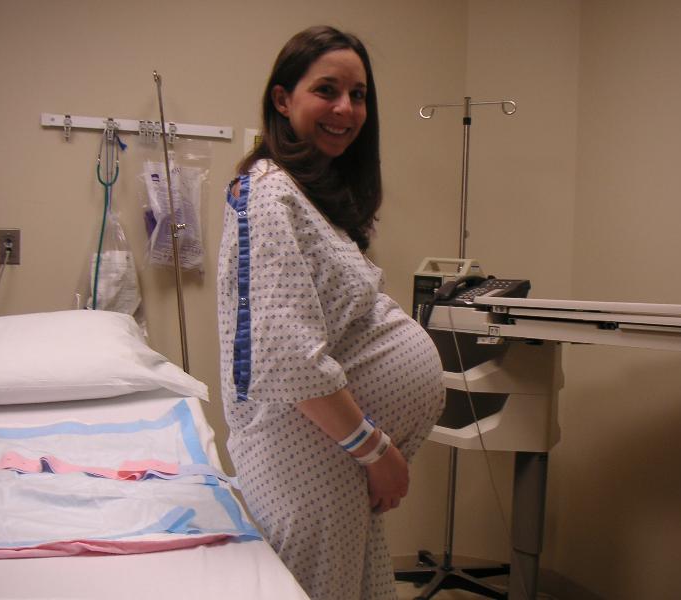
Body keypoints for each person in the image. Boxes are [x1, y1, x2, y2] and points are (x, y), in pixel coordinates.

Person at [217, 25, 445, 600]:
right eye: (327, 90)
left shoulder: (307, 195)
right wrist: (377, 452)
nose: (346, 109)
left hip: (334, 454)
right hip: (308, 456)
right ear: (282, 98)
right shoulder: (267, 192)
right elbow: (289, 356)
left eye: (358, 95)